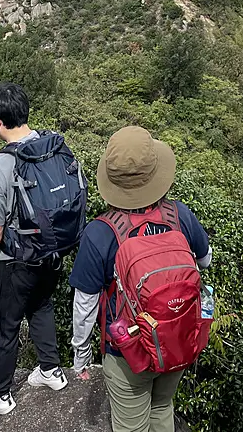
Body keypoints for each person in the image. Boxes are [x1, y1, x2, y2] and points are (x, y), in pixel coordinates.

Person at [70, 126, 212, 432]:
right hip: (176, 339)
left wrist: (81, 356)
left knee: (130, 424)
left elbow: (85, 304)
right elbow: (205, 260)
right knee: (161, 407)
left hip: (127, 352)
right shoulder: (179, 215)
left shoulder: (100, 232)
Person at [0, 82, 84, 415]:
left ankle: (0, 395)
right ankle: (51, 371)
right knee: (42, 306)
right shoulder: (56, 148)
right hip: (53, 251)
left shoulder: (0, 166)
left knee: (6, 325)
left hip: (16, 259)